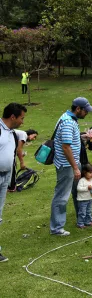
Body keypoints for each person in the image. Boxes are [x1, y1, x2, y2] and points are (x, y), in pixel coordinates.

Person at [50, 97, 92, 236]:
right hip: (67, 165)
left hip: (72, 163)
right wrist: (75, 167)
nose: (87, 113)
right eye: (85, 110)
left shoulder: (69, 118)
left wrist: (82, 138)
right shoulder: (68, 122)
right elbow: (66, 147)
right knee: (62, 196)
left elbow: (69, 140)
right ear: (78, 109)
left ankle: (83, 218)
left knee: (78, 192)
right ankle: (57, 228)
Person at [0, 103, 27, 262]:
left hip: (5, 176)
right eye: (21, 118)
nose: (22, 122)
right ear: (13, 117)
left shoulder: (11, 132)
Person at [76, 164, 92, 229]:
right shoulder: (82, 180)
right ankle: (80, 223)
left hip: (90, 199)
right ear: (85, 173)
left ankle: (87, 221)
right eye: (90, 172)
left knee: (89, 211)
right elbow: (78, 188)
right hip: (82, 200)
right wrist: (87, 188)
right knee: (82, 212)